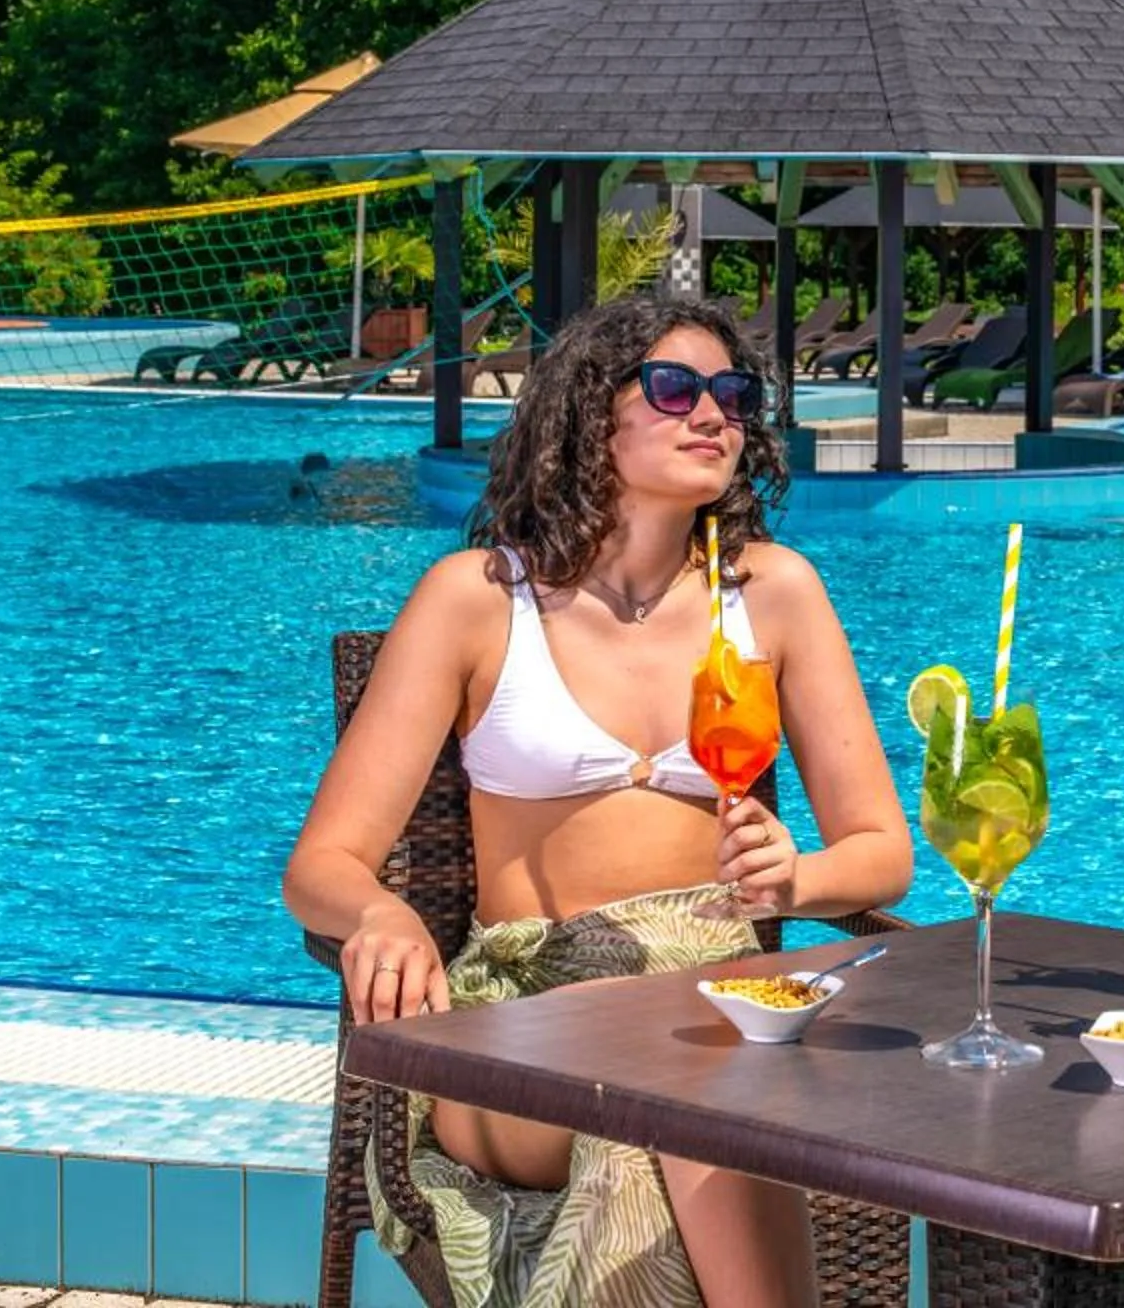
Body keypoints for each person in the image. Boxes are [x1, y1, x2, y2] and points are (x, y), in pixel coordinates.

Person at [284, 296, 913, 1308]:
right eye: (674, 388)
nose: (714, 414)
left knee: (701, 1096)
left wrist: (798, 874)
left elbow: (882, 853)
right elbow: (322, 863)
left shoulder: (774, 593)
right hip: (525, 1014)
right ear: (587, 413)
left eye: (734, 395)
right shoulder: (477, 600)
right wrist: (384, 911)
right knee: (696, 1102)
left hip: (718, 999)